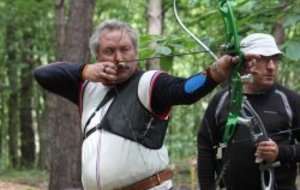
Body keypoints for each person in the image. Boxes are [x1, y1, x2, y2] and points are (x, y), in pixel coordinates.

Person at [33, 19, 251, 190]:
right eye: (109, 51)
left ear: (135, 52)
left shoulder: (150, 83)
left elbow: (185, 90)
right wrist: (84, 71)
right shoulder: (87, 89)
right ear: (96, 56)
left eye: (125, 49)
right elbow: (42, 74)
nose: (118, 57)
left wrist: (215, 73)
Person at [197, 33, 300, 190]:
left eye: (275, 59)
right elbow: (205, 148)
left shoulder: (289, 100)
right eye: (264, 59)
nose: (272, 66)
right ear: (245, 62)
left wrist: (280, 152)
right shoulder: (221, 100)